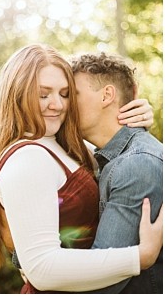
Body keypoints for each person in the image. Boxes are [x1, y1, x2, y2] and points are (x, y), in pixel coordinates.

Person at [0, 43, 163, 293]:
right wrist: (141, 256)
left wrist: (135, 120)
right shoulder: (27, 158)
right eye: (43, 94)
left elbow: (120, 154)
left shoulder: (59, 144)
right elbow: (41, 269)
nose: (59, 105)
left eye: (65, 94)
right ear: (17, 93)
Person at [71, 52, 163, 293]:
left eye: (73, 94)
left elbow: (104, 284)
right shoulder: (109, 160)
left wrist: (34, 262)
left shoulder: (136, 165)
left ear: (107, 95)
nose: (64, 104)